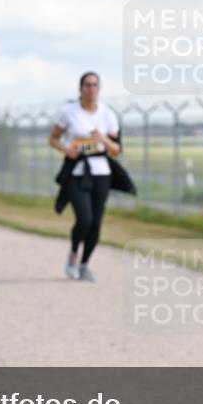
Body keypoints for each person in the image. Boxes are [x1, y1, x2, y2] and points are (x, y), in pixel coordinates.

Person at [50, 71, 135, 281]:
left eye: (95, 85)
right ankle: (73, 255)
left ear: (100, 89)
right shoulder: (69, 112)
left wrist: (103, 139)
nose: (91, 89)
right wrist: (66, 149)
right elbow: (53, 139)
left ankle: (85, 265)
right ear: (80, 88)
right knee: (84, 219)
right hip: (77, 172)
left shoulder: (108, 115)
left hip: (101, 173)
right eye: (87, 85)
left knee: (96, 222)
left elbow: (116, 149)